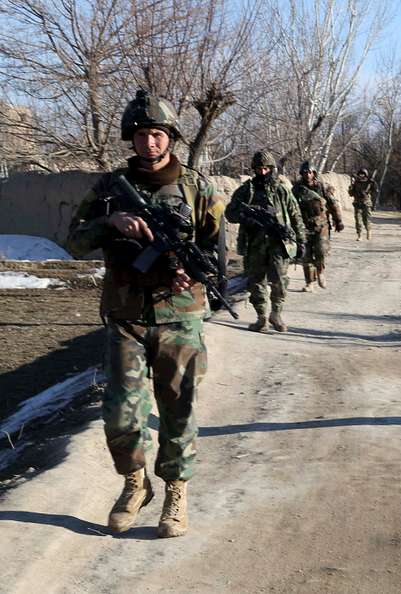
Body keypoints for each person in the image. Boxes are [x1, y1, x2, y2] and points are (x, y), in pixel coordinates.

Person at [66, 89, 226, 537]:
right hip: (126, 317)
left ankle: (176, 491)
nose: (149, 143)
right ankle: (135, 485)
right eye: (141, 135)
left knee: (178, 408)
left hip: (180, 317)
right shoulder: (109, 189)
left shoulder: (198, 187)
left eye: (157, 134)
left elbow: (217, 254)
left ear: (170, 137)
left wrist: (191, 275)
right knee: (120, 412)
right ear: (130, 138)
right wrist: (108, 224)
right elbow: (74, 241)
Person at [225, 150, 304, 332]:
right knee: (256, 281)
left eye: (266, 168)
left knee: (280, 281)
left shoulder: (281, 190)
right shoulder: (246, 191)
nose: (262, 172)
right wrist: (246, 218)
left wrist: (301, 241)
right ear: (254, 169)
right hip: (254, 244)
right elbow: (230, 212)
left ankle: (276, 314)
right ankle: (261, 318)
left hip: (279, 243)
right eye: (259, 168)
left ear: (272, 169)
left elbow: (295, 215)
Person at [293, 161, 343, 291]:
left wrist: (338, 220)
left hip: (321, 226)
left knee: (321, 251)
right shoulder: (297, 190)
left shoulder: (322, 187)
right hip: (303, 227)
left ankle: (320, 272)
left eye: (310, 172)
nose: (307, 175)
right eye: (305, 172)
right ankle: (309, 283)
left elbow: (333, 204)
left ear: (314, 173)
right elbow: (290, 206)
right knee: (306, 255)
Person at [348, 168, 376, 240]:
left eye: (363, 174)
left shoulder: (369, 182)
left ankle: (368, 230)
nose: (361, 175)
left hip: (366, 203)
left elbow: (375, 190)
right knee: (358, 220)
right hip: (357, 203)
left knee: (366, 219)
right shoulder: (356, 183)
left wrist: (374, 183)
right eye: (360, 174)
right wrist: (350, 189)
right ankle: (359, 235)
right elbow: (351, 194)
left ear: (365, 175)